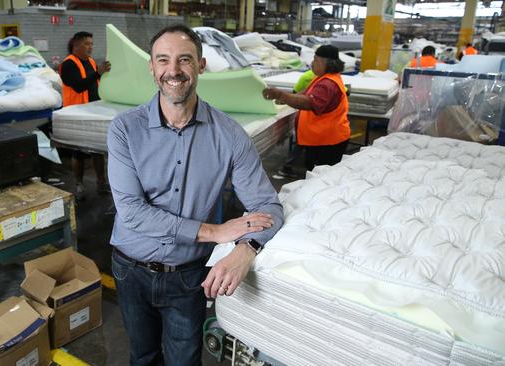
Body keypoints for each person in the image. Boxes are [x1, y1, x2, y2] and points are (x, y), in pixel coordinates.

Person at [107, 24, 283, 365]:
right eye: (163, 60)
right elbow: (131, 211)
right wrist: (216, 233)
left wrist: (246, 249)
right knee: (142, 356)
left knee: (185, 359)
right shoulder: (125, 129)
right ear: (152, 67)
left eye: (184, 60)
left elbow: (268, 207)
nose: (173, 71)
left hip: (188, 275)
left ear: (201, 66)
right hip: (130, 269)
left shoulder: (229, 135)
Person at [262, 45, 350, 172]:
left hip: (326, 143)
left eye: (315, 60)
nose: (312, 63)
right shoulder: (323, 78)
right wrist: (286, 98)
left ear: (327, 63)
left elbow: (309, 102)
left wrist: (281, 95)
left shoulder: (328, 84)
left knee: (319, 178)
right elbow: (306, 93)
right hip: (321, 140)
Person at [60, 31, 111, 199]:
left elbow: (95, 84)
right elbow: (79, 86)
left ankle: (101, 184)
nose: (91, 47)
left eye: (91, 44)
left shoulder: (90, 62)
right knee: (78, 153)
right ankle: (79, 185)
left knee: (97, 151)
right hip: (76, 113)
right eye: (87, 44)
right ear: (76, 45)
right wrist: (98, 73)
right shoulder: (68, 64)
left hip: (93, 111)